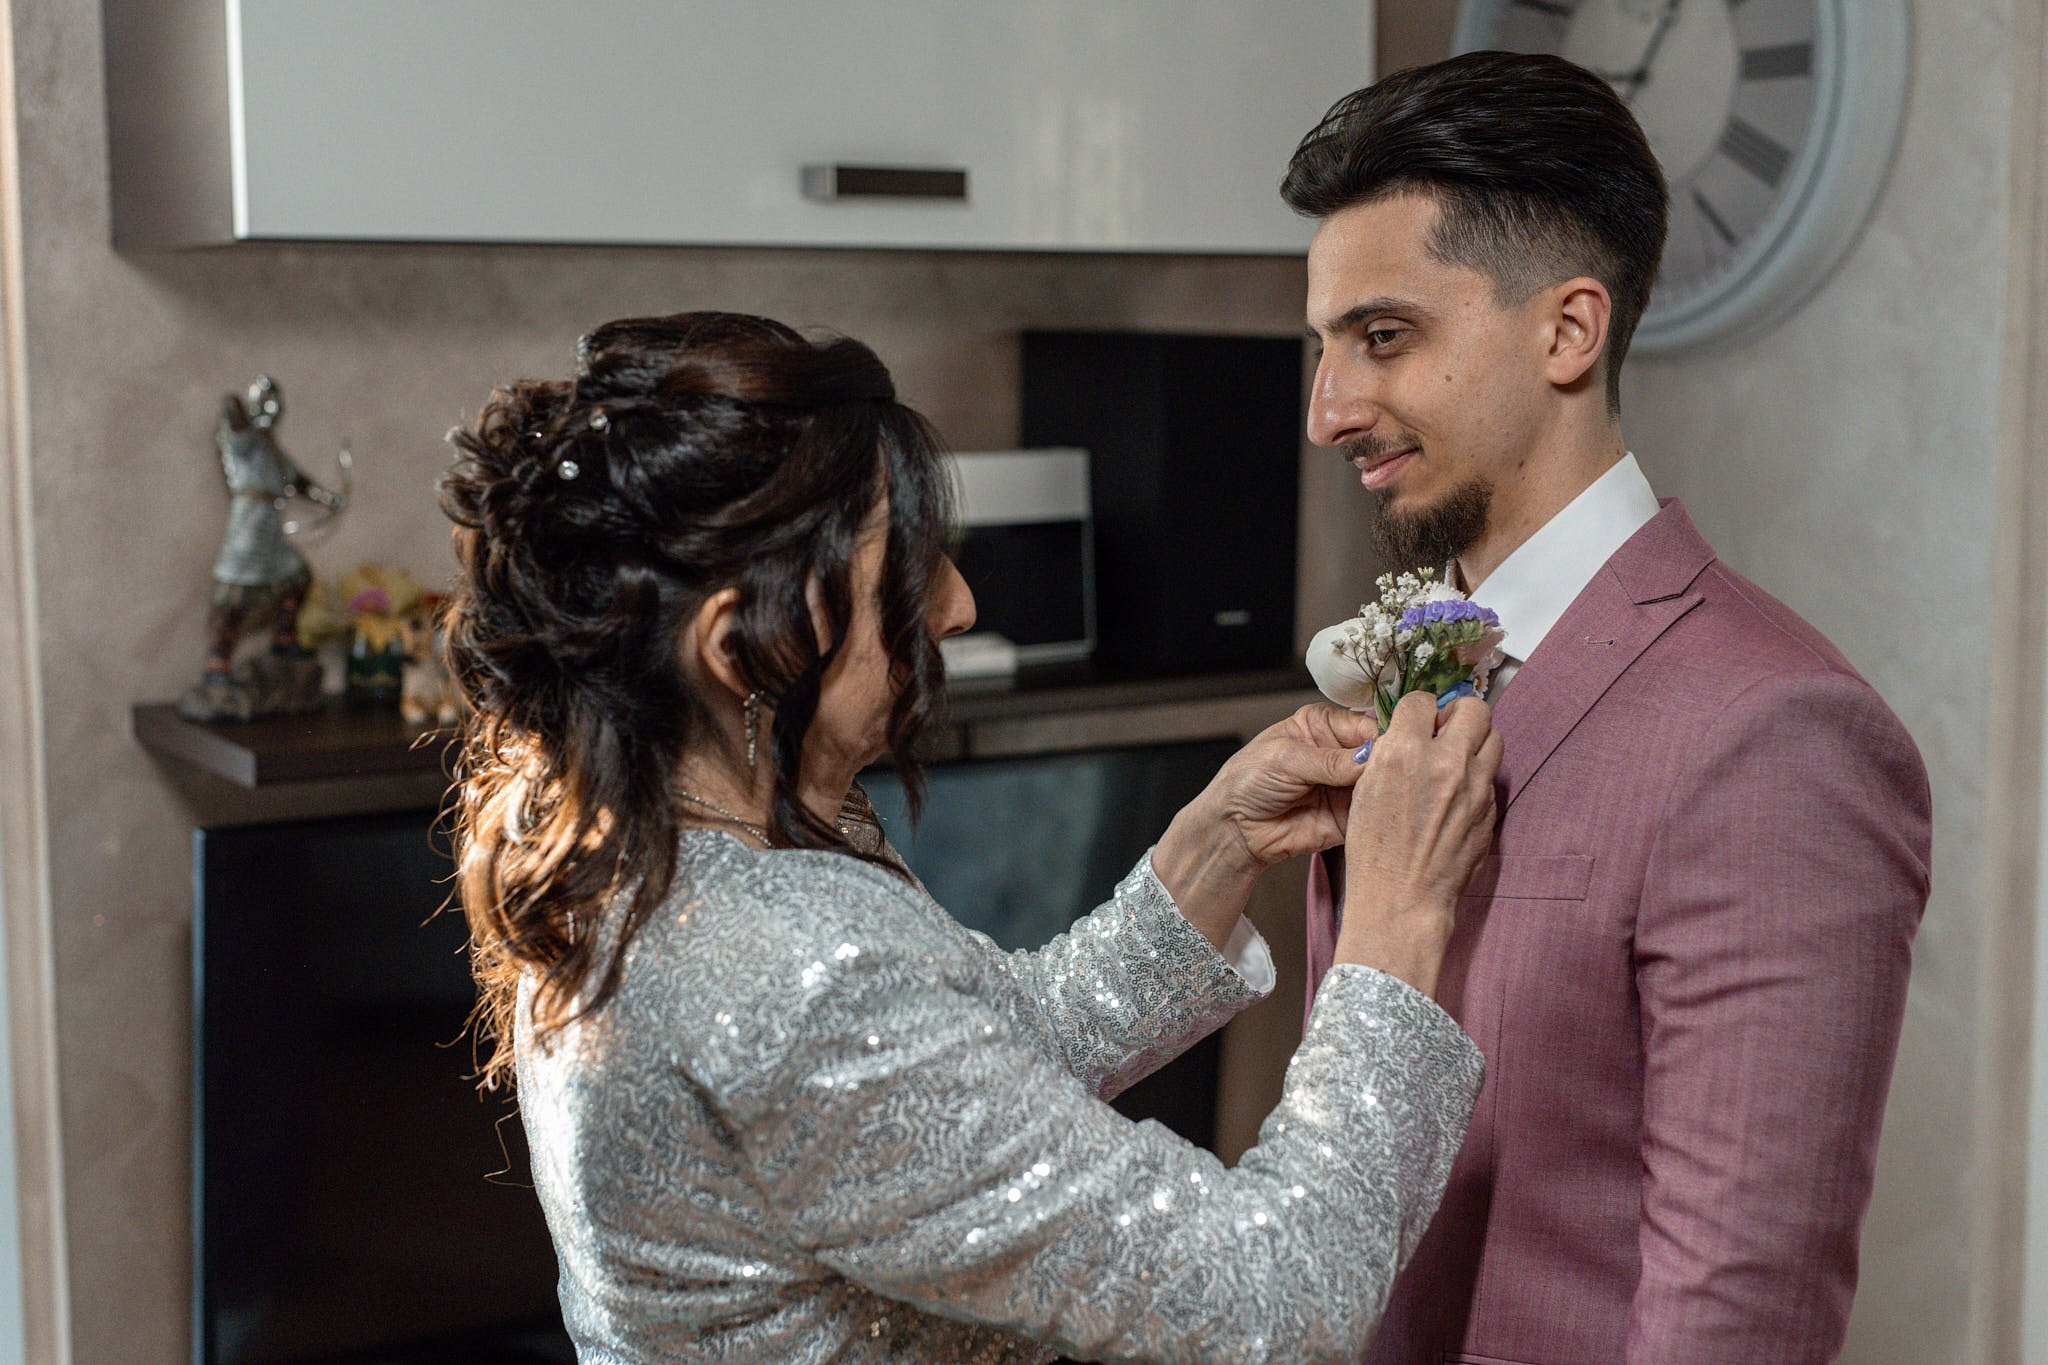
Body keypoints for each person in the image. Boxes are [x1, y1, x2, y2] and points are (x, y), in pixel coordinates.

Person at [439, 310, 1504, 1362]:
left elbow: (974, 1077)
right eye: (903, 566)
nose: (955, 603)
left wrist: (1218, 841)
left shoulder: (653, 834)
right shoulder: (787, 970)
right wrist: (1397, 921)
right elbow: (1279, 1297)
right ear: (739, 645)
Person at [1289, 52, 1933, 1363]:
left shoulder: (1774, 734)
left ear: (1569, 332)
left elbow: (1736, 1313)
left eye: (1383, 338)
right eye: (1324, 348)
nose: (1328, 412)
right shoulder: (1419, 670)